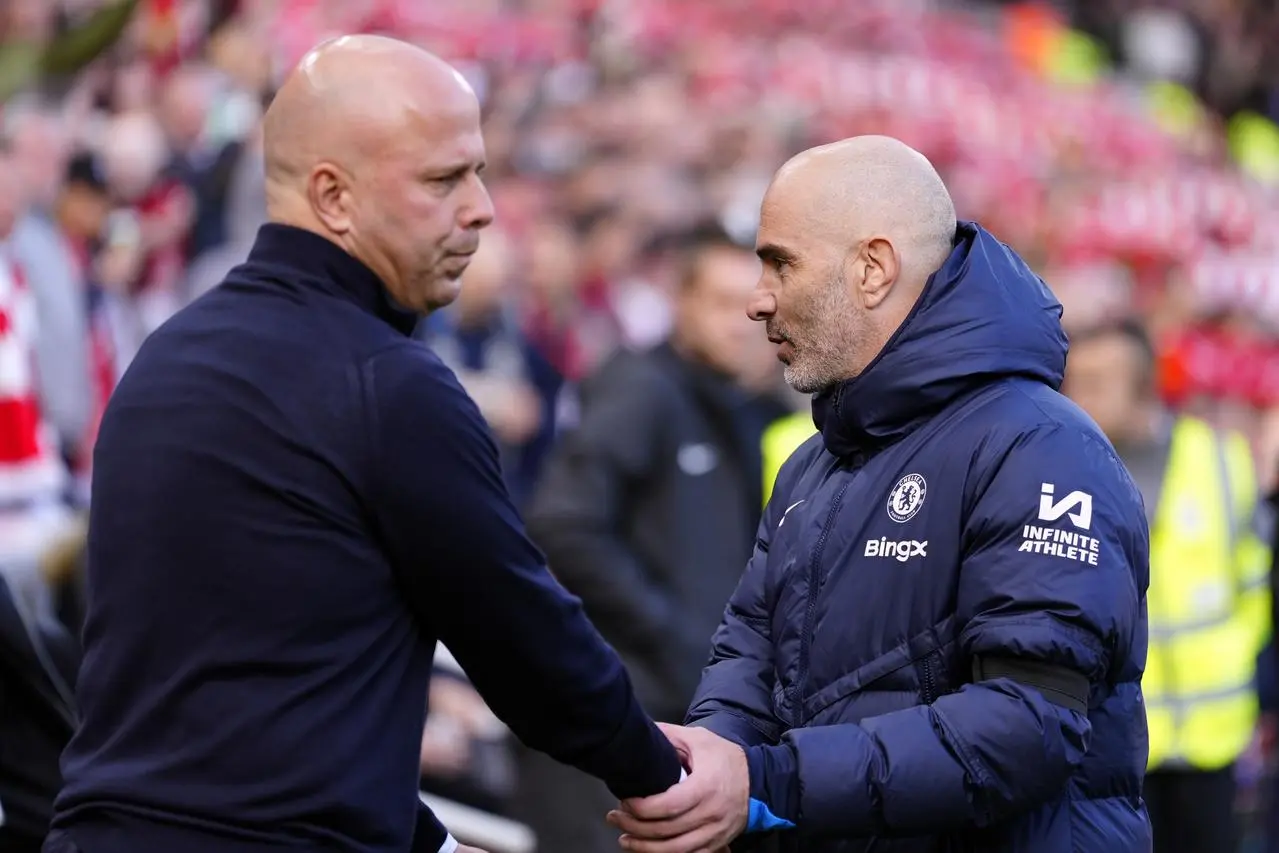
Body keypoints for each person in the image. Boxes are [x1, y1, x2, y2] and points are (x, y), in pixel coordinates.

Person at [44, 35, 682, 853]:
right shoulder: (388, 385)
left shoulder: (165, 355)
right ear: (333, 197)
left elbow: (249, 682)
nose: (482, 207)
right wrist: (663, 776)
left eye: (479, 171)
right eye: (443, 178)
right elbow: (532, 649)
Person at [607, 135, 1150, 853]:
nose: (756, 299)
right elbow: (748, 655)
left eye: (779, 263)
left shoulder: (1041, 447)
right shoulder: (811, 465)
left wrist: (768, 780)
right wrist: (703, 766)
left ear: (871, 269)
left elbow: (1025, 727)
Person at [516, 225, 789, 852]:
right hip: (620, 718)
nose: (737, 323)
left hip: (682, 719)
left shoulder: (752, 410)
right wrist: (672, 631)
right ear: (680, 302)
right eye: (718, 303)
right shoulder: (645, 389)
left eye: (748, 307)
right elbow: (564, 522)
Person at [1063, 320, 1270, 853]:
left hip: (1211, 737)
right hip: (1111, 741)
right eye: (1075, 380)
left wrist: (1236, 660)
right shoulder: (1061, 468)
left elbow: (1251, 581)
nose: (1077, 395)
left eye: (1097, 381)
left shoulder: (1221, 460)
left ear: (1143, 387)